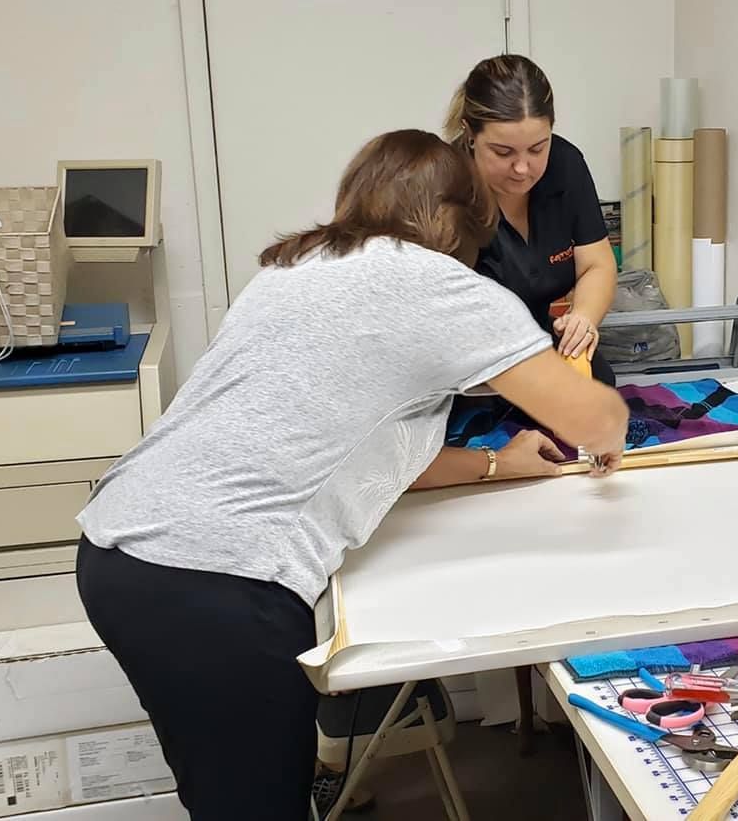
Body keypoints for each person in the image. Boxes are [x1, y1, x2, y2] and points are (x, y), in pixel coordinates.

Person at [74, 129, 629, 820]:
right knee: (257, 804)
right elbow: (595, 422)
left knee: (228, 787)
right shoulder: (440, 287)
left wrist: (495, 463)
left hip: (120, 555)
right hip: (215, 580)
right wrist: (610, 419)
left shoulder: (294, 269)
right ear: (460, 220)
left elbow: (368, 445)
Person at [444, 54, 619, 386]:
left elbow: (597, 264)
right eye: (503, 152)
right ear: (470, 133)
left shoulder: (565, 167)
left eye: (538, 149)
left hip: (536, 344)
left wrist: (582, 318)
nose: (523, 168)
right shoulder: (443, 186)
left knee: (598, 392)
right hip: (463, 368)